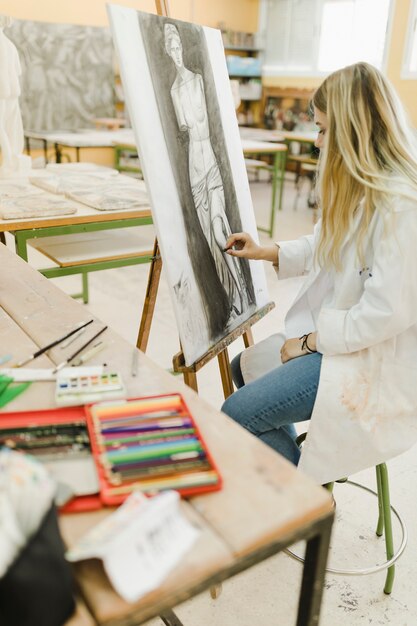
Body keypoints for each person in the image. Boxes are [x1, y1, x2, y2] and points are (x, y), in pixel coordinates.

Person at [221, 62, 417, 486]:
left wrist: (308, 343)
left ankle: (307, 505)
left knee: (235, 413)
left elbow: (382, 315)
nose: (317, 140)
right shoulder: (365, 189)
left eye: (324, 129)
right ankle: (302, 477)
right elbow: (327, 244)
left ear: (353, 131)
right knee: (245, 365)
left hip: (370, 359)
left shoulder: (403, 206)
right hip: (344, 342)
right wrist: (266, 250)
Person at [164, 22, 249, 321]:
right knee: (214, 244)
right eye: (170, 47)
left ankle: (242, 297)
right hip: (194, 169)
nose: (175, 51)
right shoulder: (175, 91)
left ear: (183, 48)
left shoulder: (200, 80)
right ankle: (234, 301)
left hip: (211, 164)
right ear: (167, 50)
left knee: (219, 231)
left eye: (177, 45)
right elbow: (184, 132)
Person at [0, 15, 30, 175]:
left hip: (2, 90)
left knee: (1, 126)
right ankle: (10, 160)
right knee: (9, 125)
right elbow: (18, 71)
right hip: (12, 90)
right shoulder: (10, 45)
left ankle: (9, 160)